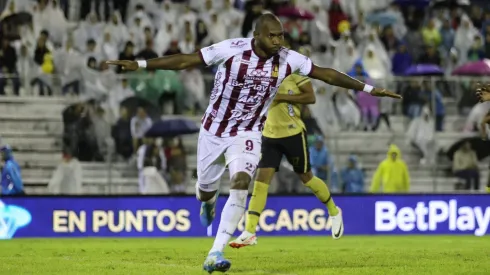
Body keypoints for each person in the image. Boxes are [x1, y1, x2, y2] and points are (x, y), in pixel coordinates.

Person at [106, 13, 401, 274]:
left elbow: (326, 74)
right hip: (213, 131)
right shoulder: (231, 50)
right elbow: (187, 60)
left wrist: (369, 88)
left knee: (242, 181)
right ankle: (207, 201)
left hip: (247, 133)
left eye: (281, 35)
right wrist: (141, 64)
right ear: (256, 35)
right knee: (205, 190)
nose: (278, 40)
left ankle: (215, 252)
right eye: (272, 35)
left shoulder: (288, 59)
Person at [228, 69, 339, 248]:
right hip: (269, 136)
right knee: (261, 181)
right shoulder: (259, 74)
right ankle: (249, 231)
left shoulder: (295, 73)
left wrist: (283, 97)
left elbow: (310, 97)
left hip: (293, 133)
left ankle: (334, 211)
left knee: (307, 178)